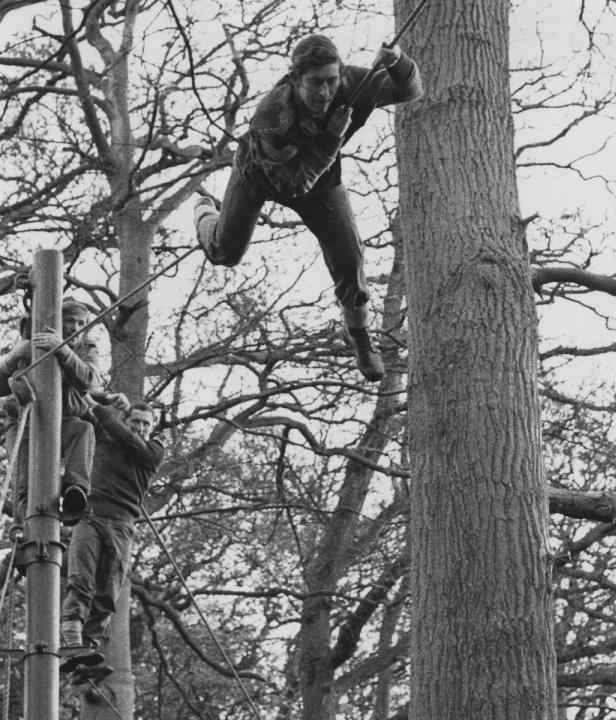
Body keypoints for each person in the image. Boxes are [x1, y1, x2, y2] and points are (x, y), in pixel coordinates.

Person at [194, 34, 423, 382]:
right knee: (225, 252)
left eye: (331, 81)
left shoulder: (352, 83)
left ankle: (360, 338)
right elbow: (294, 185)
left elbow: (408, 91)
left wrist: (397, 61)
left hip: (322, 181)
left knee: (351, 259)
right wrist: (332, 137)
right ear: (296, 78)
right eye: (316, 83)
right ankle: (204, 209)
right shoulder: (271, 116)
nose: (325, 93)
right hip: (261, 175)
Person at [60, 394, 164, 682]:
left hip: (122, 523)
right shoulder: (102, 435)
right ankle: (72, 639)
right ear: (126, 420)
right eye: (136, 421)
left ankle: (88, 650)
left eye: (146, 423)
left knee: (109, 589)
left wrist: (107, 413)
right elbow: (83, 399)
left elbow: (128, 439)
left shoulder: (152, 451)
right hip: (90, 515)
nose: (140, 428)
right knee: (81, 579)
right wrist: (103, 399)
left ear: (152, 428)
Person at [0, 298, 100, 527]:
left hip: (65, 418)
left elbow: (89, 381)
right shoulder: (30, 342)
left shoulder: (86, 349)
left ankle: (75, 491)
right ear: (58, 321)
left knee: (84, 429)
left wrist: (63, 350)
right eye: (70, 321)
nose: (75, 328)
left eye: (80, 323)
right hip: (24, 420)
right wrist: (13, 357)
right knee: (24, 484)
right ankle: (26, 532)